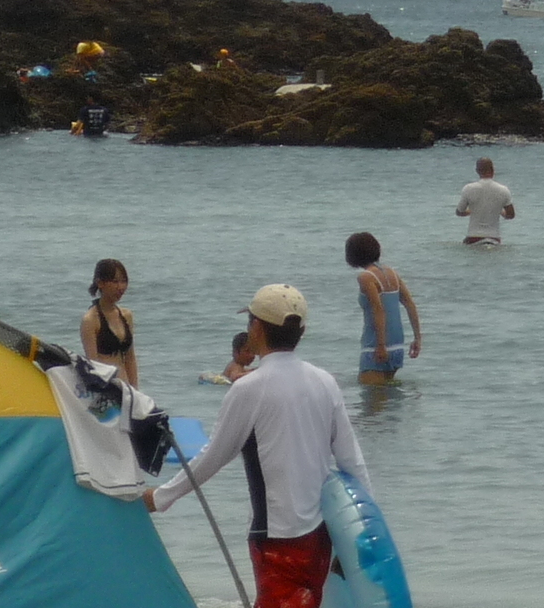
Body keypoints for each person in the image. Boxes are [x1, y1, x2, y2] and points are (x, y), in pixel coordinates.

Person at [146, 285, 370, 608]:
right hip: (321, 534)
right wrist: (359, 538)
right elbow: (353, 463)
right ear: (301, 333)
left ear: (257, 328)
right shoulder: (325, 382)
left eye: (250, 320)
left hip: (276, 537)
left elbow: (212, 457)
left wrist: (160, 497)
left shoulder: (248, 389)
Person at [346, 232, 423, 385]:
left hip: (375, 346)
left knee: (371, 404)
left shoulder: (366, 277)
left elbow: (378, 310)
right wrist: (417, 338)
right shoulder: (392, 273)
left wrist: (380, 345)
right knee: (386, 399)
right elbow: (409, 303)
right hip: (397, 346)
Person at [80, 258, 138, 387]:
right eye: (115, 281)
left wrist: (136, 392)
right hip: (106, 388)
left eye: (124, 281)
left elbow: (130, 358)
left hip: (126, 388)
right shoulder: (90, 320)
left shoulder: (126, 315)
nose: (121, 287)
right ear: (100, 283)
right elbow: (93, 364)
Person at [456, 157, 515, 244]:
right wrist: (500, 211)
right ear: (493, 170)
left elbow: (459, 212)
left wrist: (471, 211)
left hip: (473, 237)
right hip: (494, 238)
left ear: (477, 171)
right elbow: (510, 215)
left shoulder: (468, 188)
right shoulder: (503, 190)